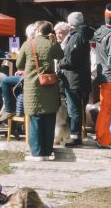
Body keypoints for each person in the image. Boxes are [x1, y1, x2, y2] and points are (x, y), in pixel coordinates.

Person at [15, 20, 62, 161]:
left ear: (38, 30)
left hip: (33, 87)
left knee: (35, 120)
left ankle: (37, 153)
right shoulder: (51, 43)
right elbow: (60, 55)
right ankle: (47, 152)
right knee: (49, 119)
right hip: (50, 87)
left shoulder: (28, 44)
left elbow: (19, 64)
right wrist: (54, 41)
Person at [58, 11, 93, 147]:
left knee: (74, 109)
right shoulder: (82, 34)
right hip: (81, 77)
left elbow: (72, 59)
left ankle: (75, 137)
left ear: (71, 23)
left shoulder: (77, 36)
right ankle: (75, 135)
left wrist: (60, 62)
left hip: (74, 78)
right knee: (77, 109)